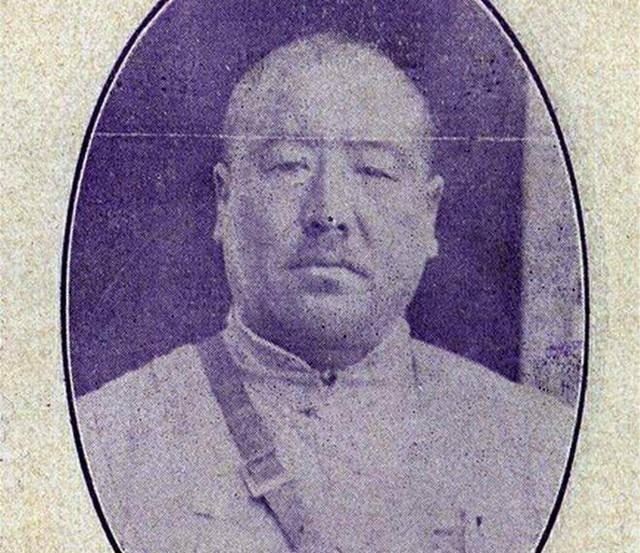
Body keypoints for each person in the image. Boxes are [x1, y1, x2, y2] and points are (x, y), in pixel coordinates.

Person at [77, 33, 573, 552]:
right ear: (224, 199)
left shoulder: (539, 452)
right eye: (289, 165)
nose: (329, 212)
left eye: (374, 170)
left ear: (429, 214)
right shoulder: (107, 445)